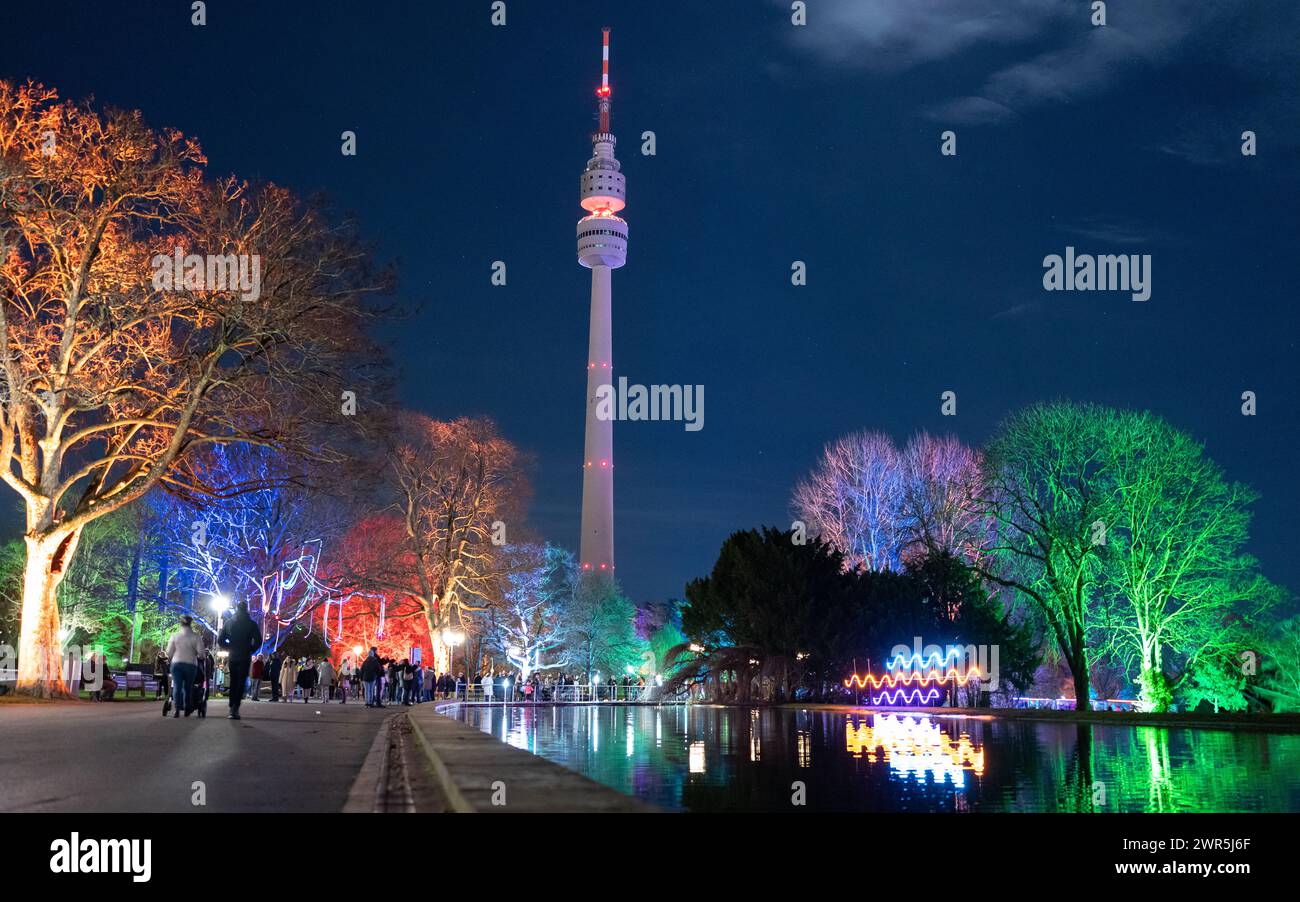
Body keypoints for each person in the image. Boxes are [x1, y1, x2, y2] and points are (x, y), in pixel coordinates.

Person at [217, 601, 262, 720]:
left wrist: (229, 647)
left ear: (236, 609)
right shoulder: (251, 624)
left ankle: (232, 705)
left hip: (233, 655)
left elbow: (221, 640)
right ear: (246, 609)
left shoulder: (229, 622)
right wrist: (250, 649)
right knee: (241, 681)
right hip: (244, 655)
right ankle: (235, 707)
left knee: (233, 681)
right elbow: (258, 641)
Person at [165, 615, 205, 719]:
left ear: (181, 623)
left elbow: (168, 652)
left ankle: (177, 709)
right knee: (188, 687)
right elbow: (201, 654)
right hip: (190, 664)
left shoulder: (175, 636)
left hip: (177, 663)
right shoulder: (196, 636)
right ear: (190, 623)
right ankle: (187, 707)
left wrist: (172, 656)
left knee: (177, 686)